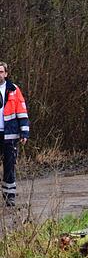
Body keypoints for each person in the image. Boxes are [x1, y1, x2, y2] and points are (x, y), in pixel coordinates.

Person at [0, 61, 30, 207]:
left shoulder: (13, 90)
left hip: (9, 136)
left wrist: (24, 132)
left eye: (1, 72)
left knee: (9, 167)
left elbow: (21, 111)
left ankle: (9, 196)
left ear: (6, 74)